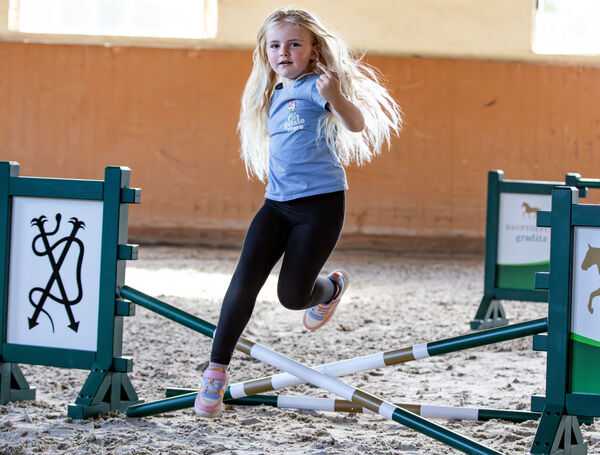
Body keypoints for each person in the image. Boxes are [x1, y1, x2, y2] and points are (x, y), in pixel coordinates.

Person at [194, 7, 402, 417]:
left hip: (320, 209)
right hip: (275, 206)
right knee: (244, 279)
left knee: (292, 297)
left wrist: (337, 96)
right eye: (275, 45)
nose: (283, 52)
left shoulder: (313, 88)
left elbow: (356, 123)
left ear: (312, 51)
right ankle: (215, 372)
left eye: (294, 44)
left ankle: (331, 289)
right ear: (265, 52)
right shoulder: (269, 93)